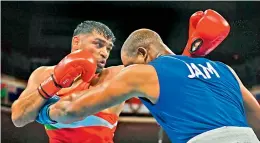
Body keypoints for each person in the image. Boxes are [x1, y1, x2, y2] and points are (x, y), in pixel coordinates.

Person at [33, 9, 260, 143]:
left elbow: (73, 109)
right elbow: (256, 116)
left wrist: (39, 112)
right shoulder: (224, 69)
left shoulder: (145, 72)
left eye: (130, 65)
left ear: (142, 54)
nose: (129, 71)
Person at [11, 21, 125, 143]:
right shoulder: (43, 74)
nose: (105, 53)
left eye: (108, 48)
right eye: (98, 44)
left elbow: (145, 69)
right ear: (76, 42)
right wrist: (54, 83)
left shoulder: (112, 76)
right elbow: (18, 119)